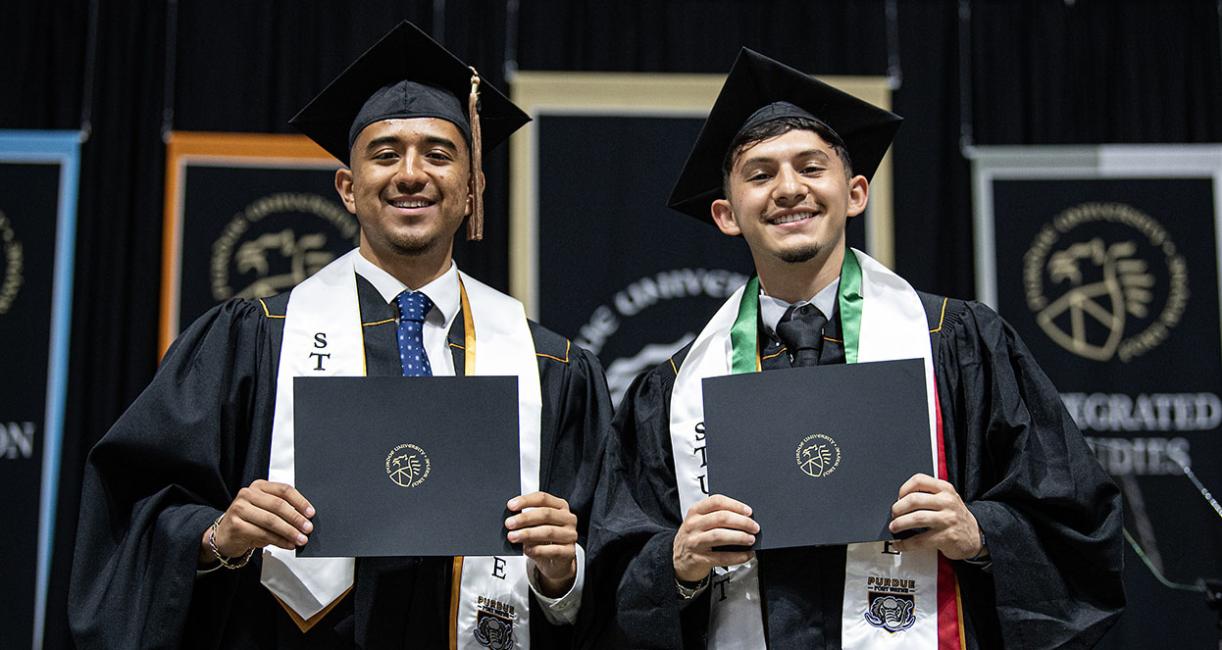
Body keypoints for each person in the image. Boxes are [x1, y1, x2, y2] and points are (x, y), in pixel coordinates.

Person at [70, 21, 611, 650]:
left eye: (439, 154)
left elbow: (616, 571)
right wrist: (219, 536)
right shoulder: (255, 342)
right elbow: (131, 510)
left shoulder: (551, 368)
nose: (411, 174)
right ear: (348, 189)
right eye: (385, 155)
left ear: (473, 188)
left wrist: (562, 576)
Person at [581, 48, 1123, 649]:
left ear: (856, 192)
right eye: (760, 175)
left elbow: (1081, 525)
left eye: (811, 167)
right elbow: (611, 577)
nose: (789, 189)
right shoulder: (674, 392)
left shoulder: (959, 342)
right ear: (727, 214)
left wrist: (979, 532)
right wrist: (678, 564)